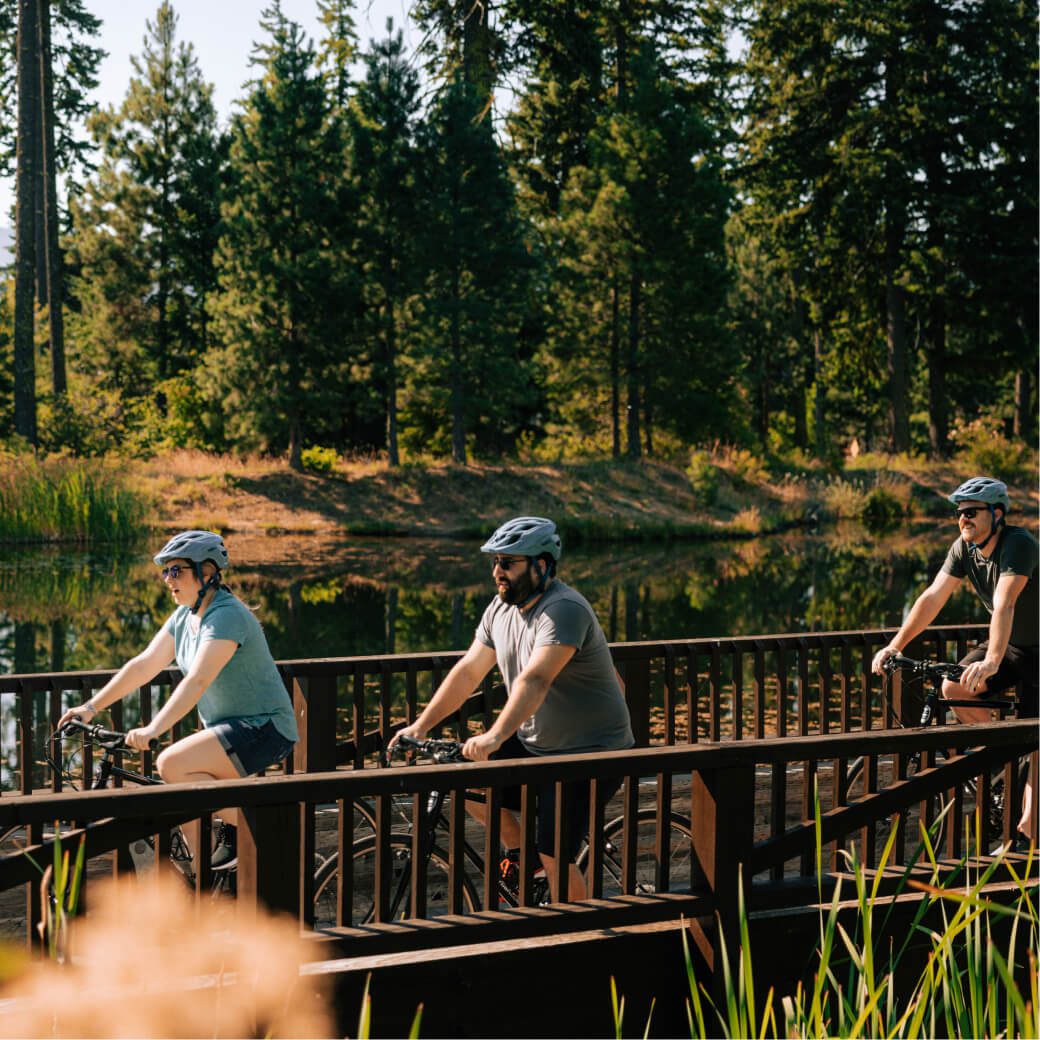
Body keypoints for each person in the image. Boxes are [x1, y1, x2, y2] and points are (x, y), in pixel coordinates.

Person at [389, 516, 634, 900]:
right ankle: (524, 856)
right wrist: (420, 727)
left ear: (542, 564)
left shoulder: (564, 610)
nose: (498, 572)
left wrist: (495, 736)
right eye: (495, 562)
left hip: (589, 752)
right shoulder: (499, 610)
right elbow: (468, 671)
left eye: (508, 562)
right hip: (539, 743)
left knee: (556, 854)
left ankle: (585, 941)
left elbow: (535, 679)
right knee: (466, 780)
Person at [57, 530, 299, 869]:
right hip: (230, 730)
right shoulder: (185, 616)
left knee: (172, 764)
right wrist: (90, 707)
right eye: (165, 572)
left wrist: (154, 728)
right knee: (184, 796)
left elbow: (198, 679)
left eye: (177, 570)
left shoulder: (226, 615)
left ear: (209, 572)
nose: (168, 579)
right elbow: (145, 664)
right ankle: (206, 878)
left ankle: (260, 827)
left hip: (265, 727)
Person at [870, 476, 1038, 846]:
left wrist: (992, 661)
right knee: (954, 686)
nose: (963, 519)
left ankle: (1027, 832)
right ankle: (1005, 763)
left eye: (972, 512)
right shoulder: (964, 549)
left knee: (1036, 737)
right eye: (959, 513)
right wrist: (895, 646)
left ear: (996, 514)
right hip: (1011, 646)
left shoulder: (1019, 544)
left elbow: (1005, 603)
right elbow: (933, 596)